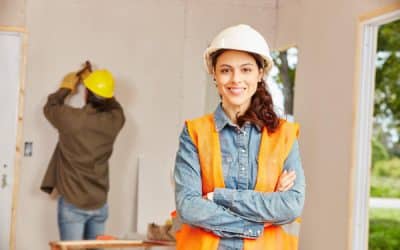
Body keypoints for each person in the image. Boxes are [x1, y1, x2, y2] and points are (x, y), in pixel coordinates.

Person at [173, 24, 305, 250]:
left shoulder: (284, 135)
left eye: (246, 69)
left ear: (260, 73)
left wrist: (218, 197)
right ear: (214, 74)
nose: (236, 79)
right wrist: (255, 221)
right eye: (225, 70)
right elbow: (189, 206)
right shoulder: (194, 132)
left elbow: (290, 206)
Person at [40, 66, 125, 241]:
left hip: (73, 203)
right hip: (99, 204)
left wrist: (66, 87)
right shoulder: (114, 121)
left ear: (86, 93)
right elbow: (116, 107)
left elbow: (50, 106)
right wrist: (101, 89)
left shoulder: (71, 119)